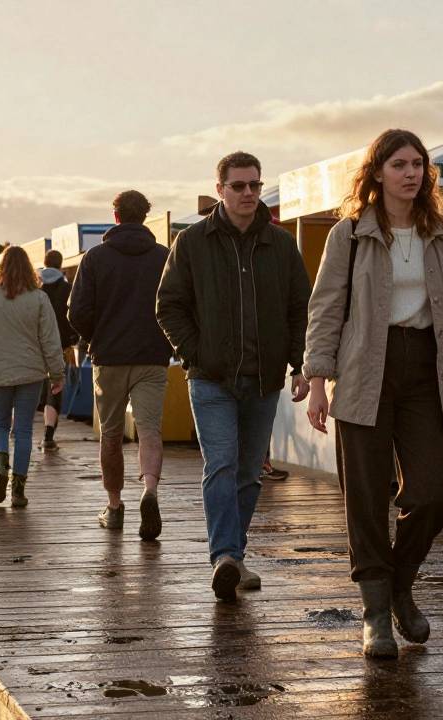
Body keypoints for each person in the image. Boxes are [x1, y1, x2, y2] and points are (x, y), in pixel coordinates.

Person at [302, 129, 443, 658]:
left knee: (431, 492)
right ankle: (376, 613)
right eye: (399, 164)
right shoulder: (350, 234)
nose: (410, 173)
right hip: (364, 370)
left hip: (426, 371)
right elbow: (326, 309)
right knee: (363, 496)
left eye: (418, 165)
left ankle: (401, 582)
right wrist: (317, 380)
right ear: (377, 172)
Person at [157, 151, 311, 601]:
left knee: (248, 472)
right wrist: (195, 353)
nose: (248, 193)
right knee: (221, 464)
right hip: (211, 379)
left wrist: (301, 363)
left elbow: (301, 307)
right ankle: (224, 554)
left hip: (264, 380)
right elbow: (168, 305)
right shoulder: (192, 242)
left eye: (255, 185)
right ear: (220, 188)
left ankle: (234, 556)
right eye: (238, 185)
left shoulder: (280, 244)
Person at [69, 190, 173, 540]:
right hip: (153, 357)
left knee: (111, 435)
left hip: (109, 357)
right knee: (149, 431)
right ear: (145, 217)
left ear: (115, 216)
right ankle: (150, 491)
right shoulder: (164, 256)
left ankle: (114, 508)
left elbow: (77, 312)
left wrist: (95, 336)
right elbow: (179, 304)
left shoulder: (95, 257)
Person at [0, 246, 64, 507]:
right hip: (31, 372)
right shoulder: (39, 298)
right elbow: (50, 339)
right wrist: (57, 372)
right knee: (24, 430)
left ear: (1, 268)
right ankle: (18, 489)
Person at [38, 249, 78, 450]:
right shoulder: (67, 287)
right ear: (60, 265)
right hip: (59, 347)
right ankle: (48, 434)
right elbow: (73, 316)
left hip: (34, 347)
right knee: (54, 390)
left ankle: (15, 428)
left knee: (28, 388)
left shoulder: (35, 286)